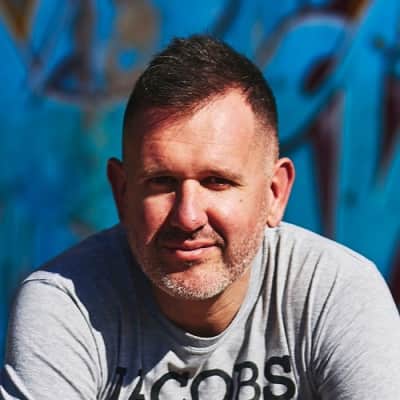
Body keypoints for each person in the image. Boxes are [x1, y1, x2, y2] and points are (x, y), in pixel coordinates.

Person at [1, 35, 400, 400]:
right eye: (161, 182)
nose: (188, 216)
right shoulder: (66, 302)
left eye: (216, 182)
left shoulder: (335, 294)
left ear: (274, 193)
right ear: (122, 192)